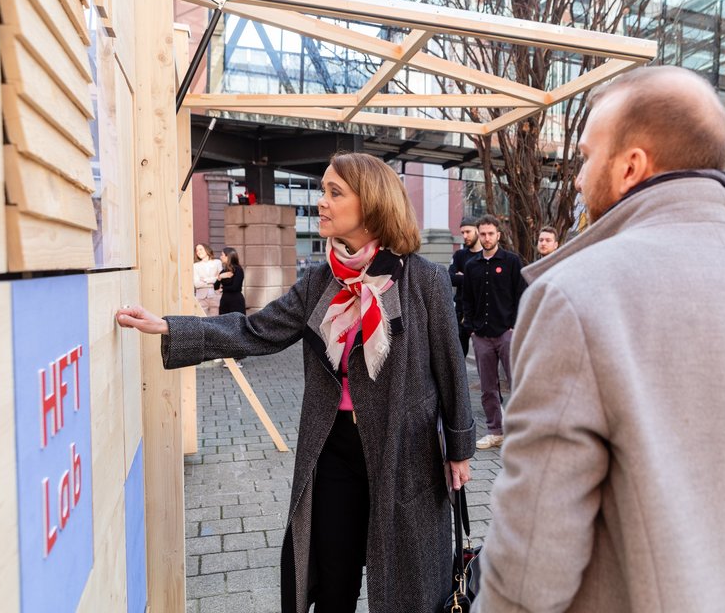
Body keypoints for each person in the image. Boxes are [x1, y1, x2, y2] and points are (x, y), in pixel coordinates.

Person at [472, 66, 725, 612]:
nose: (578, 179)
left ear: (630, 166)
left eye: (587, 157)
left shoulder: (576, 297)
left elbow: (531, 564)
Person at [116, 152, 475, 613]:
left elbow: (450, 368)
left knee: (408, 590)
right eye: (322, 190)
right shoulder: (320, 281)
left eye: (334, 192)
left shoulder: (423, 280)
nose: (321, 201)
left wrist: (460, 449)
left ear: (371, 203)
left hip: (405, 453)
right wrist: (170, 327)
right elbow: (255, 331)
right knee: (332, 584)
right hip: (333, 450)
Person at [462, 215, 525, 450]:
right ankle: (495, 431)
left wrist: (514, 325)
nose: (487, 238)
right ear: (479, 235)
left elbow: (521, 294)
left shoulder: (512, 262)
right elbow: (467, 299)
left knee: (516, 382)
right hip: (481, 336)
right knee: (488, 387)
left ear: (498, 234)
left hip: (506, 333)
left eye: (491, 233)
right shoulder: (472, 266)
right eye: (483, 234)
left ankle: (522, 431)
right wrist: (471, 328)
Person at [448, 216, 482, 357]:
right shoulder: (459, 255)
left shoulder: (486, 255)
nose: (465, 236)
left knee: (483, 354)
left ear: (478, 230)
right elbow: (450, 278)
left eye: (468, 232)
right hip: (461, 311)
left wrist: (463, 276)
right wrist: (474, 277)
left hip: (481, 311)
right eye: (462, 233)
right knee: (459, 355)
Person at [214, 247, 246, 316]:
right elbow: (215, 287)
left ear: (228, 256)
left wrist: (222, 289)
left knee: (236, 320)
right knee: (223, 321)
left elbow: (235, 287)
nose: (220, 257)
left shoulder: (238, 270)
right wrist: (220, 277)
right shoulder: (223, 271)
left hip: (236, 301)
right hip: (224, 300)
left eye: (222, 255)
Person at [193, 243, 222, 316]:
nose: (198, 252)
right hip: (201, 298)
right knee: (202, 319)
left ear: (207, 249)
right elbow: (197, 284)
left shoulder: (217, 262)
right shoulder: (195, 266)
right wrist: (214, 281)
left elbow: (220, 279)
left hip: (216, 296)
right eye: (197, 251)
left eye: (200, 249)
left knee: (215, 320)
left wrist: (206, 280)